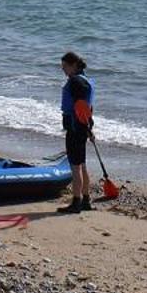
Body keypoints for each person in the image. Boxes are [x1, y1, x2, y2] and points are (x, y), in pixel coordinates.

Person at [58, 51, 95, 213]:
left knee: (75, 166)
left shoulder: (75, 82)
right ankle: (86, 200)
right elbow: (86, 109)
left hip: (75, 128)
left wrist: (86, 127)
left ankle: (76, 202)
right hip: (82, 127)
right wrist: (89, 128)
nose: (63, 70)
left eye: (65, 66)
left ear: (73, 65)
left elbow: (80, 107)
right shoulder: (85, 80)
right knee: (82, 164)